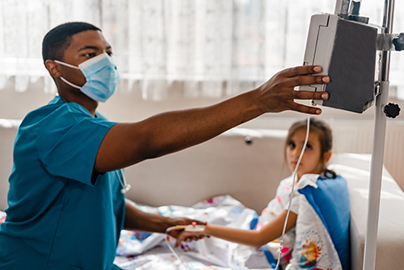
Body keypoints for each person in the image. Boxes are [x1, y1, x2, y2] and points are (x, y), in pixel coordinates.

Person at [0, 21, 330, 270]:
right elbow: (146, 139)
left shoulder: (90, 127)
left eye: (107, 53)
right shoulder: (52, 125)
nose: (105, 62)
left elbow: (102, 204)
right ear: (55, 68)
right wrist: (257, 101)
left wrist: (162, 224)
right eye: (89, 54)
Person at [174, 118, 341, 267]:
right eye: (292, 144)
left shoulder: (304, 195)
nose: (296, 152)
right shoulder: (293, 179)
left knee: (197, 235)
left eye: (307, 147)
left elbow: (260, 238)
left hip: (264, 252)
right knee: (195, 218)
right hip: (255, 224)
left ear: (325, 157)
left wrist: (206, 229)